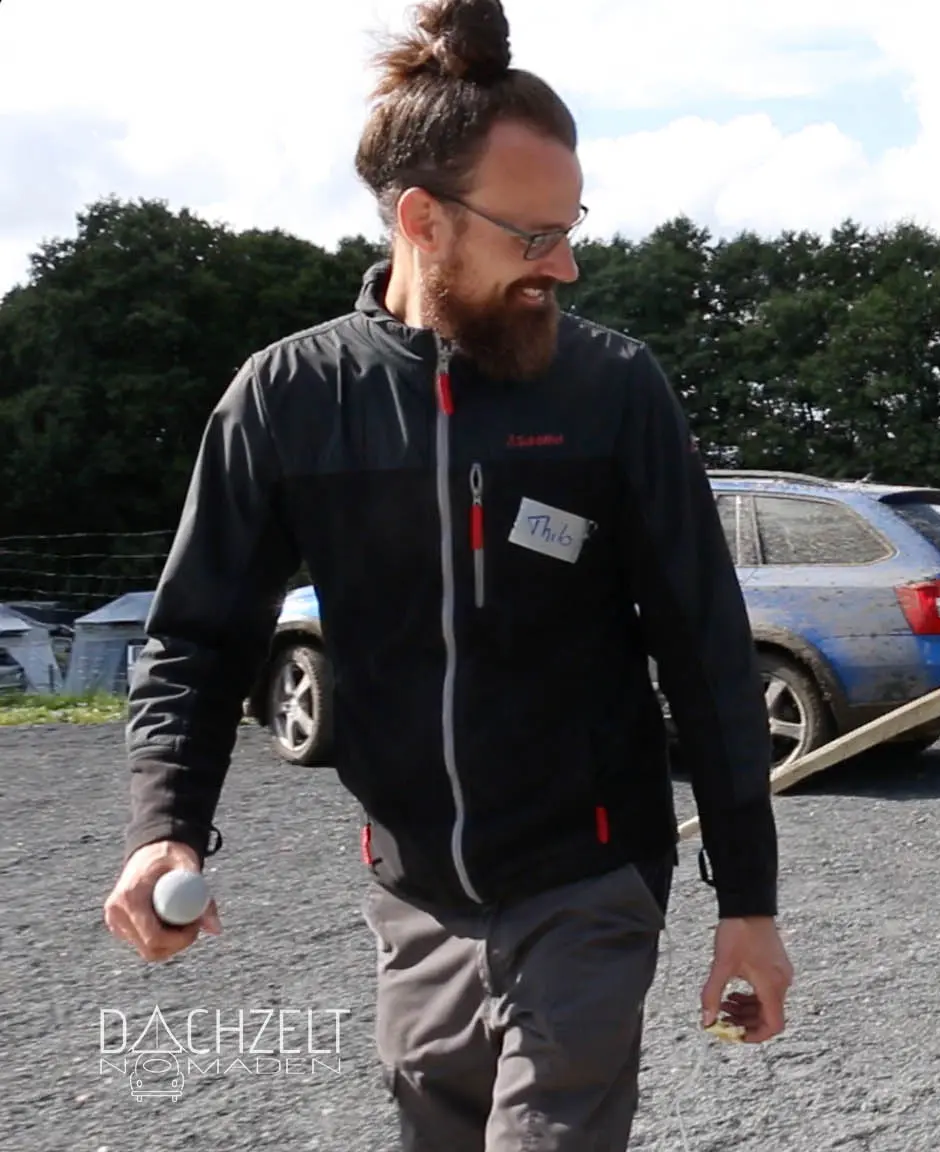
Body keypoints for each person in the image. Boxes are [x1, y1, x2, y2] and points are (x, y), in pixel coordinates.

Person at [98, 1, 793, 1147]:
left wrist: (749, 907)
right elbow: (199, 634)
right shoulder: (288, 401)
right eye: (532, 237)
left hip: (591, 874)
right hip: (413, 889)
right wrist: (162, 828)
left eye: (571, 228)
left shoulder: (612, 394)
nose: (563, 265)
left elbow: (706, 649)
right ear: (422, 220)